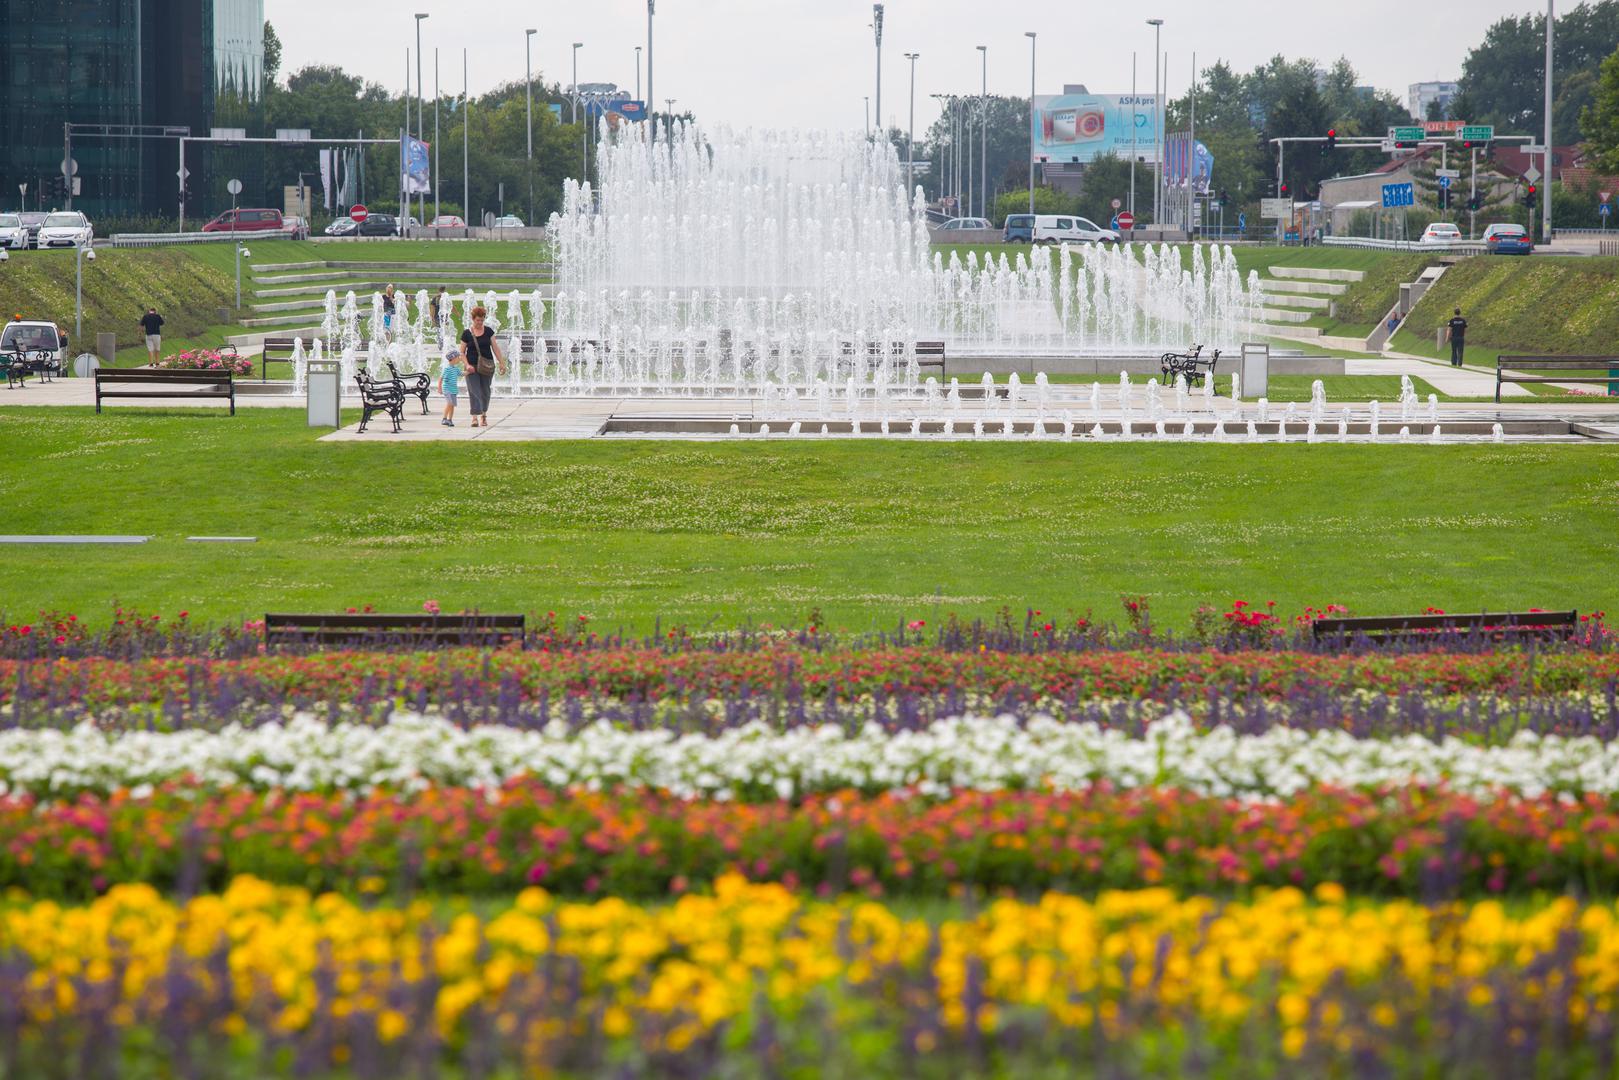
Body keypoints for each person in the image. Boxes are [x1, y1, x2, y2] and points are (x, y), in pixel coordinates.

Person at [459, 305, 505, 428]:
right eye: (477, 320)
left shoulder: (488, 331)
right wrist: (467, 364)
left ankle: (483, 415)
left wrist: (501, 362)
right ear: (473, 319)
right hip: (471, 367)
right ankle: (474, 417)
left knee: (485, 391)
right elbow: (461, 352)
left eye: (482, 320)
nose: (479, 322)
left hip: (486, 366)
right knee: (474, 391)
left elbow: (495, 348)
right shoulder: (467, 333)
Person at [439, 348, 462, 427]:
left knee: (452, 405)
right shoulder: (447, 369)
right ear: (453, 358)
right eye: (458, 357)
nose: (459, 359)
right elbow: (441, 378)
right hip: (447, 389)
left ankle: (450, 420)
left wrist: (469, 372)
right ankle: (444, 419)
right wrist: (439, 388)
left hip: (454, 390)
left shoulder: (456, 369)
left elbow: (461, 374)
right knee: (449, 403)